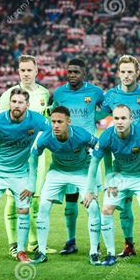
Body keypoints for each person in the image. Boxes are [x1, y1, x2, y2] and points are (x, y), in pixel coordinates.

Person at [84, 105, 140, 267]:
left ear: (131, 119)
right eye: (116, 118)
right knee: (106, 210)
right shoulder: (106, 136)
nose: (119, 122)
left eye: (123, 118)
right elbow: (95, 162)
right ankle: (110, 254)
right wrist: (91, 190)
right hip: (119, 177)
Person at [0, 88, 50, 263]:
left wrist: (38, 150)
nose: (16, 105)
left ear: (27, 105)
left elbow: (51, 133)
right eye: (14, 102)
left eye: (20, 102)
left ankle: (21, 251)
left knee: (23, 210)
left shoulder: (37, 120)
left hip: (21, 173)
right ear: (10, 103)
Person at [98, 55, 140, 258]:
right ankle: (129, 244)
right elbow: (99, 115)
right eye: (123, 71)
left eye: (130, 71)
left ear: (137, 72)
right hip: (121, 154)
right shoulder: (111, 95)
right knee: (124, 205)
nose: (126, 75)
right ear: (118, 73)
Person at [0, 55, 52, 257]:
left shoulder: (45, 94)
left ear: (37, 70)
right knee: (13, 200)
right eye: (22, 70)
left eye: (29, 69)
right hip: (15, 156)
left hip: (37, 155)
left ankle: (34, 244)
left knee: (35, 200)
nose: (26, 73)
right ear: (18, 72)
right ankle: (13, 244)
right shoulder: (9, 95)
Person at [30, 106, 101, 265]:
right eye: (53, 121)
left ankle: (94, 252)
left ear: (68, 122)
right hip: (57, 172)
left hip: (82, 171)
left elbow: (99, 147)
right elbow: (34, 155)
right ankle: (41, 252)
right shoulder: (45, 137)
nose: (55, 125)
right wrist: (31, 182)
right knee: (43, 206)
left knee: (94, 207)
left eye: (59, 122)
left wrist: (93, 180)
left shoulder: (81, 135)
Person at [49, 58, 105, 255]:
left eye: (76, 72)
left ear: (84, 73)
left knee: (93, 199)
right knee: (70, 199)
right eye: (69, 71)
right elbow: (52, 112)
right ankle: (70, 241)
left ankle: (95, 245)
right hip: (67, 153)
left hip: (90, 153)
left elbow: (107, 108)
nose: (72, 75)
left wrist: (96, 119)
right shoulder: (59, 93)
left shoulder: (96, 92)